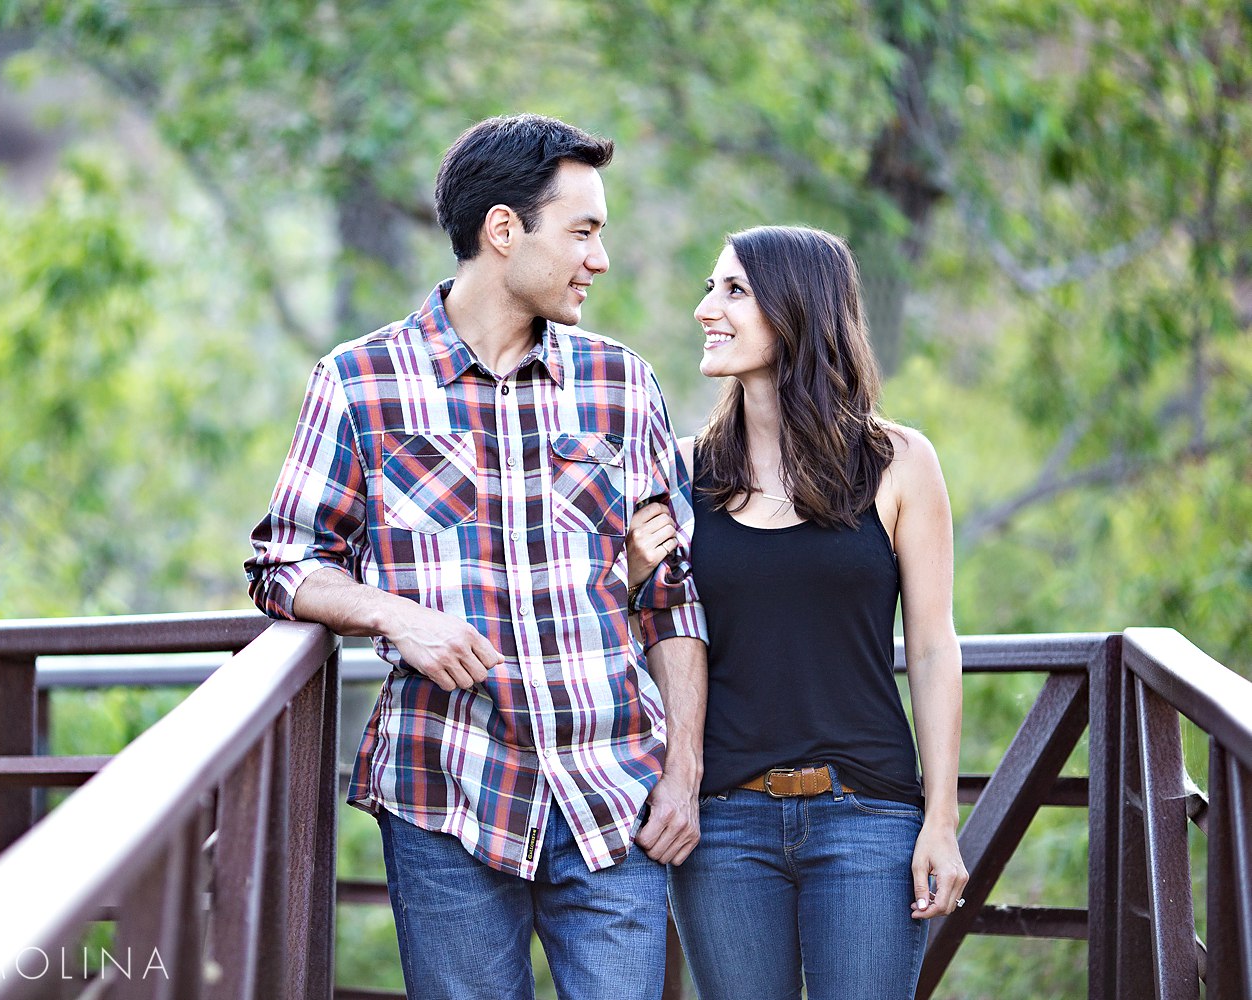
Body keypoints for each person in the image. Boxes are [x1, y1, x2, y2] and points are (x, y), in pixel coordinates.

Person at [245, 113, 709, 1000]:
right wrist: (396, 616)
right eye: (582, 232)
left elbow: (673, 600)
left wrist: (683, 772)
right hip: (446, 791)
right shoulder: (359, 382)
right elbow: (283, 561)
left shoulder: (621, 386)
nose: (598, 259)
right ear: (504, 231)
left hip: (612, 797)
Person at [626, 225, 968, 1000]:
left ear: (798, 312)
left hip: (869, 817)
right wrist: (635, 573)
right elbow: (635, 636)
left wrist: (940, 819)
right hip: (721, 827)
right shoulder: (681, 472)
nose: (704, 308)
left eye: (733, 291)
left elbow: (934, 646)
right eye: (712, 287)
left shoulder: (900, 462)